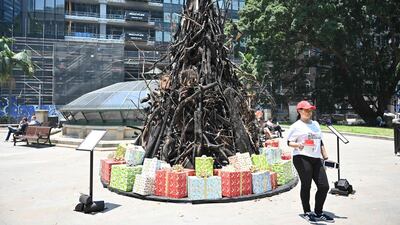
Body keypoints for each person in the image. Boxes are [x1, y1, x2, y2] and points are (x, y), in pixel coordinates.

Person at [286, 100, 334, 223]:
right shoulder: (296, 126)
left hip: (316, 158)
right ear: (299, 111)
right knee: (306, 185)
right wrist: (298, 144)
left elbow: (319, 141)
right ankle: (307, 212)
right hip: (301, 157)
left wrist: (325, 156)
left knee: (324, 186)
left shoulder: (316, 124)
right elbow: (289, 142)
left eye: (310, 110)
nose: (309, 112)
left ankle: (318, 212)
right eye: (306, 110)